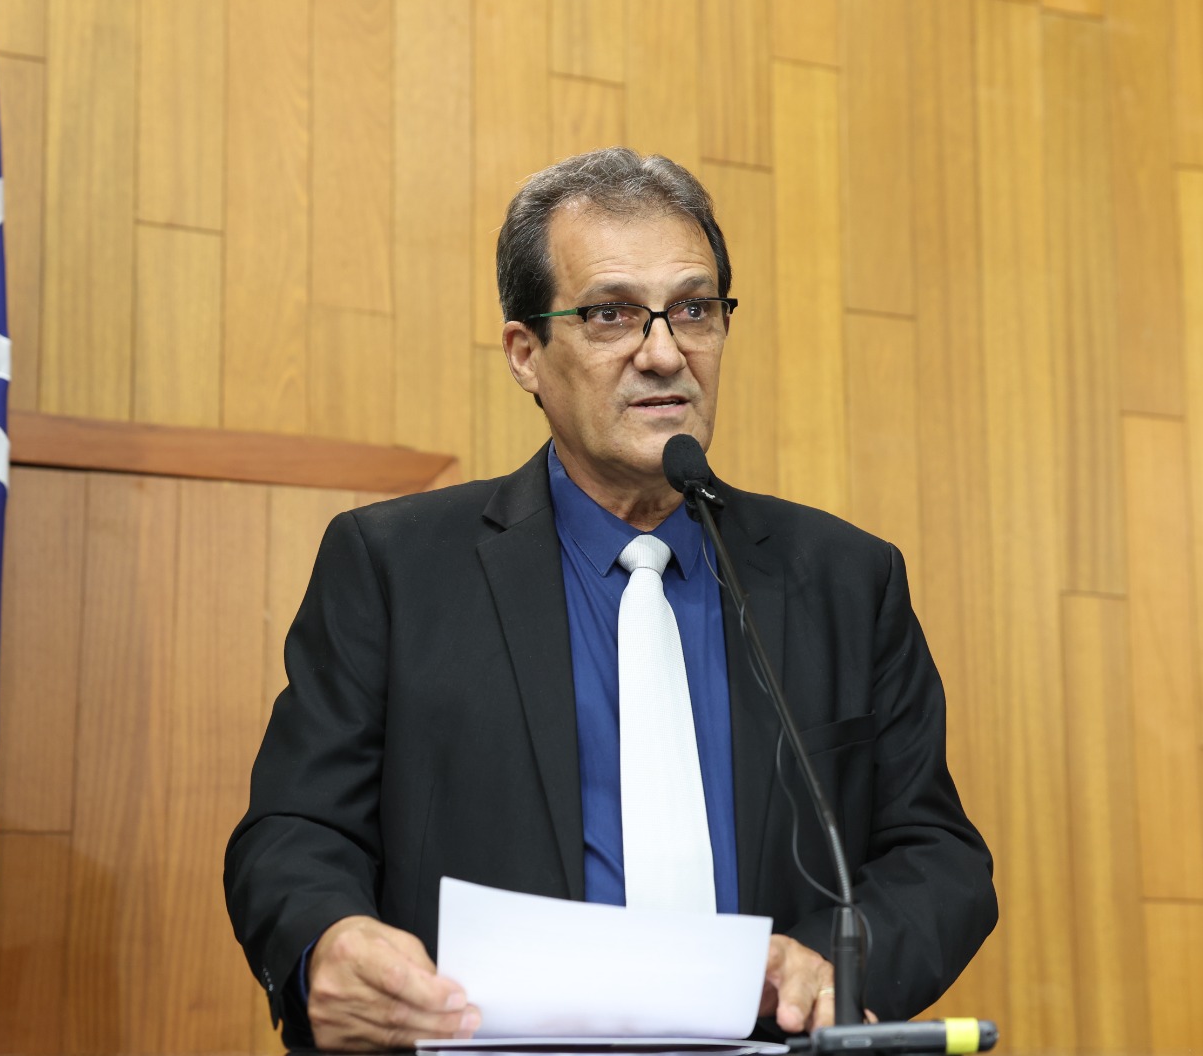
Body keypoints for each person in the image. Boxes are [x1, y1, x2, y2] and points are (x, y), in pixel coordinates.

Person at [225, 148, 997, 1053]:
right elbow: (294, 831)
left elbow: (937, 857)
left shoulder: (846, 579)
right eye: (610, 315)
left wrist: (829, 963)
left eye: (694, 309)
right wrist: (326, 940)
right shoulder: (395, 568)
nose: (665, 353)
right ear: (526, 354)